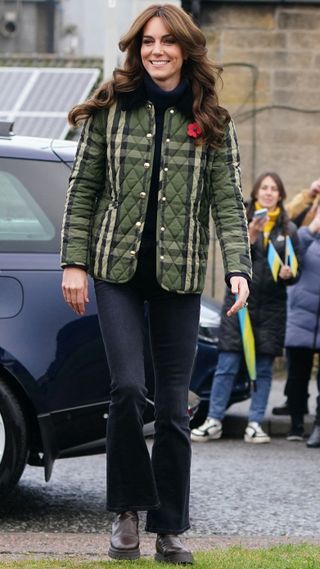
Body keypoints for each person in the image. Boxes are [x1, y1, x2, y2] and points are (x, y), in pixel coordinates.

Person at [60, 4, 251, 565]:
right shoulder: (112, 107)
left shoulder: (212, 119)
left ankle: (168, 529)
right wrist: (74, 262)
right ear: (137, 48)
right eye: (147, 41)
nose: (156, 50)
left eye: (167, 41)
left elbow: (228, 204)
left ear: (186, 48)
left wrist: (239, 265)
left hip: (180, 276)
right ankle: (125, 515)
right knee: (125, 390)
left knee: (172, 407)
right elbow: (83, 187)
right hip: (115, 271)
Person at [191, 172, 299, 445]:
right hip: (239, 306)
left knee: (263, 370)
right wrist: (250, 236)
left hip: (272, 310)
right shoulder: (242, 222)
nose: (269, 192)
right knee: (226, 365)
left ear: (281, 195)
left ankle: (255, 423)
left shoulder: (288, 230)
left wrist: (289, 274)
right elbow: (234, 259)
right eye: (264, 187)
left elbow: (296, 272)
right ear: (255, 193)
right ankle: (213, 420)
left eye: (274, 188)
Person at [272, 176, 320, 416]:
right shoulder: (311, 208)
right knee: (297, 363)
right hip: (302, 303)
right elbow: (287, 220)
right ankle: (294, 406)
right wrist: (309, 195)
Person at [284, 207, 320, 443]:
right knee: (297, 375)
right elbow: (292, 257)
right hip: (301, 317)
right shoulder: (305, 236)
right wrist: (313, 226)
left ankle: (318, 424)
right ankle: (296, 423)